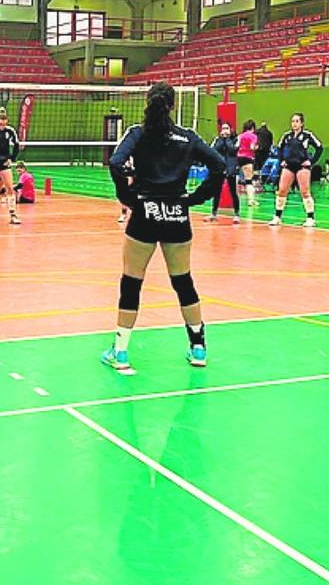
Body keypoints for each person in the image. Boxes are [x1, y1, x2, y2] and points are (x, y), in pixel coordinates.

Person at [106, 82, 225, 374]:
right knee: (183, 282)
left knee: (131, 282)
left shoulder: (137, 134)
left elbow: (116, 162)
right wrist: (195, 198)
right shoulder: (187, 137)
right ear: (172, 106)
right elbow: (220, 165)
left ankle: (120, 352)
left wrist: (128, 197)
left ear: (148, 103)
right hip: (176, 214)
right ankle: (198, 347)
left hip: (145, 214)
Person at [268, 113, 323, 227]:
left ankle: (310, 218)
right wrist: (281, 160)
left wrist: (311, 161)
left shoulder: (308, 135)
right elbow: (279, 148)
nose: (294, 124)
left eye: (297, 121)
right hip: (288, 166)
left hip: (302, 167)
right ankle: (277, 217)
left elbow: (319, 147)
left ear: (302, 123)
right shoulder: (287, 136)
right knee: (282, 190)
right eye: (293, 121)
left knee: (305, 192)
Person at [205, 122, 241, 224]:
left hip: (231, 169)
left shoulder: (236, 139)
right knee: (217, 192)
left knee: (233, 192)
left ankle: (237, 214)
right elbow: (214, 150)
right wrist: (222, 139)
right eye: (223, 128)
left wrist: (227, 139)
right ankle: (214, 213)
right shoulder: (217, 140)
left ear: (231, 129)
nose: (225, 130)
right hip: (219, 169)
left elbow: (232, 150)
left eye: (227, 128)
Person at [236, 120, 259, 206]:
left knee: (236, 179)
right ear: (253, 127)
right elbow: (252, 147)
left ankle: (235, 198)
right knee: (249, 180)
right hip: (248, 158)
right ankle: (251, 200)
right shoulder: (253, 136)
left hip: (239, 157)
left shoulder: (240, 135)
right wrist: (257, 147)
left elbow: (236, 146)